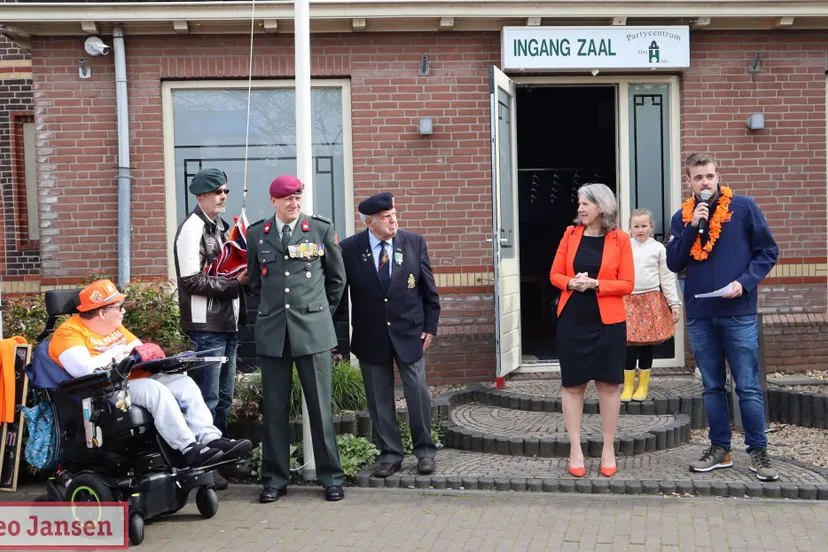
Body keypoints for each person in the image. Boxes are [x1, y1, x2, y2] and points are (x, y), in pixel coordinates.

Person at [48, 279, 252, 469]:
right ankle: (189, 448)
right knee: (155, 390)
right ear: (102, 312)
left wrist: (131, 355)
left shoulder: (114, 328)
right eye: (119, 307)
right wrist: (118, 354)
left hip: (135, 379)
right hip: (108, 390)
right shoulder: (69, 333)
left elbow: (139, 349)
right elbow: (85, 369)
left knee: (184, 384)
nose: (123, 311)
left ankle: (209, 438)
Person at [666, 153, 779, 481]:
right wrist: (690, 228)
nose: (704, 182)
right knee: (712, 387)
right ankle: (720, 449)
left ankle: (759, 451)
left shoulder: (743, 208)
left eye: (710, 176)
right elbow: (674, 262)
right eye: (698, 177)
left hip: (737, 313)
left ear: (718, 177)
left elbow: (768, 251)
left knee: (747, 385)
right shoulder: (681, 218)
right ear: (688, 181)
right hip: (700, 316)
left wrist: (743, 284)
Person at [246, 175, 347, 503]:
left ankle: (330, 477)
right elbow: (256, 286)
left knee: (319, 408)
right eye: (287, 199)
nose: (294, 203)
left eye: (298, 197)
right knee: (274, 410)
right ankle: (275, 479)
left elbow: (336, 280)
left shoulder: (318, 230)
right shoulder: (257, 235)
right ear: (274, 201)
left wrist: (319, 315)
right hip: (274, 332)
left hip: (313, 332)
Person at [339, 192, 441, 478]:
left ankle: (424, 451)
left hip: (409, 332)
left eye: (394, 214)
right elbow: (338, 293)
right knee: (379, 398)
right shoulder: (349, 249)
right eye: (386, 217)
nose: (393, 220)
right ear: (369, 223)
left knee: (417, 392)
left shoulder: (413, 242)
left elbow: (428, 290)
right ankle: (390, 454)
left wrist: (430, 326)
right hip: (371, 334)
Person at [549, 183, 634, 478]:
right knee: (572, 385)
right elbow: (555, 274)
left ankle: (608, 448)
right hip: (573, 320)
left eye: (586, 204)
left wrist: (597, 283)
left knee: (609, 385)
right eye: (579, 203)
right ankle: (576, 448)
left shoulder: (621, 239)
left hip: (608, 322)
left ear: (602, 207)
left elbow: (628, 284)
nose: (580, 209)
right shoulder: (570, 235)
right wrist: (572, 283)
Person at [174, 168, 247, 440]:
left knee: (225, 396)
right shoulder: (192, 229)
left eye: (226, 191)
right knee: (209, 398)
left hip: (226, 320)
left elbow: (222, 270)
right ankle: (207, 457)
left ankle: (221, 452)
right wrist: (236, 285)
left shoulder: (218, 227)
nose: (223, 196)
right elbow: (191, 281)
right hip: (206, 324)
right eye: (217, 192)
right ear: (200, 195)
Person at [621, 208, 682, 402]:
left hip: (650, 300)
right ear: (629, 228)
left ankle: (643, 386)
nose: (640, 230)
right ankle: (628, 385)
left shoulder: (658, 248)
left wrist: (674, 304)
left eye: (644, 226)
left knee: (646, 345)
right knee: (628, 344)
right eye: (636, 226)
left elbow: (667, 278)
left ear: (651, 227)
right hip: (628, 300)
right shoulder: (624, 246)